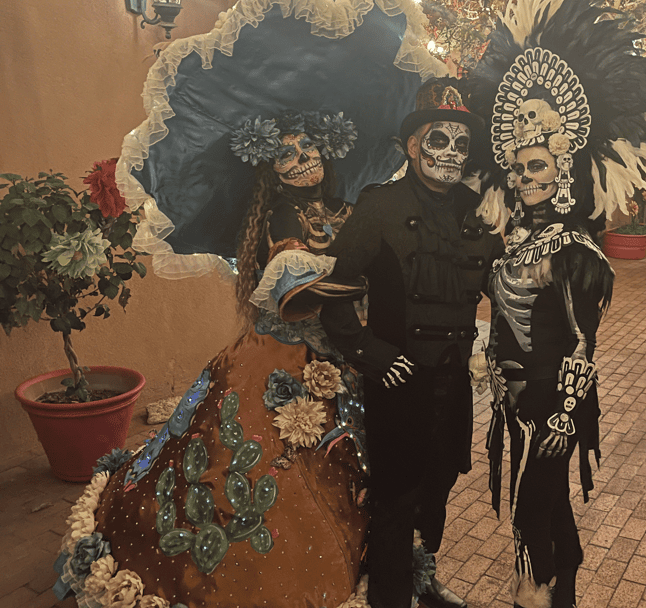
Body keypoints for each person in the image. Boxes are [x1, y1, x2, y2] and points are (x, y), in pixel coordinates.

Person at [53, 110, 377, 608]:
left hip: (345, 357)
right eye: (286, 153)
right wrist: (364, 281)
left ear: (327, 148)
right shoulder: (280, 216)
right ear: (270, 168)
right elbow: (298, 290)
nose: (301, 158)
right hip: (283, 356)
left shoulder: (347, 208)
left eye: (309, 146)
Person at [462, 0, 646, 605]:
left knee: (531, 507)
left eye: (537, 168)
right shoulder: (512, 241)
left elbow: (584, 343)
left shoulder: (575, 249)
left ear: (563, 172)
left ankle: (535, 589)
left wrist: (564, 413)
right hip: (515, 397)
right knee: (551, 504)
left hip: (555, 399)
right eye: (517, 169)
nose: (523, 179)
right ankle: (566, 586)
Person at [319, 77, 504, 608]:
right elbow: (333, 290)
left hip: (454, 381)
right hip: (398, 380)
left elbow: (502, 284)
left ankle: (421, 579)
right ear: (412, 146)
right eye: (438, 140)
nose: (451, 152)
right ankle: (390, 595)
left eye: (461, 143)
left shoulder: (478, 210)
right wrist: (371, 353)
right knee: (397, 494)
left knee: (439, 483)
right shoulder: (379, 206)